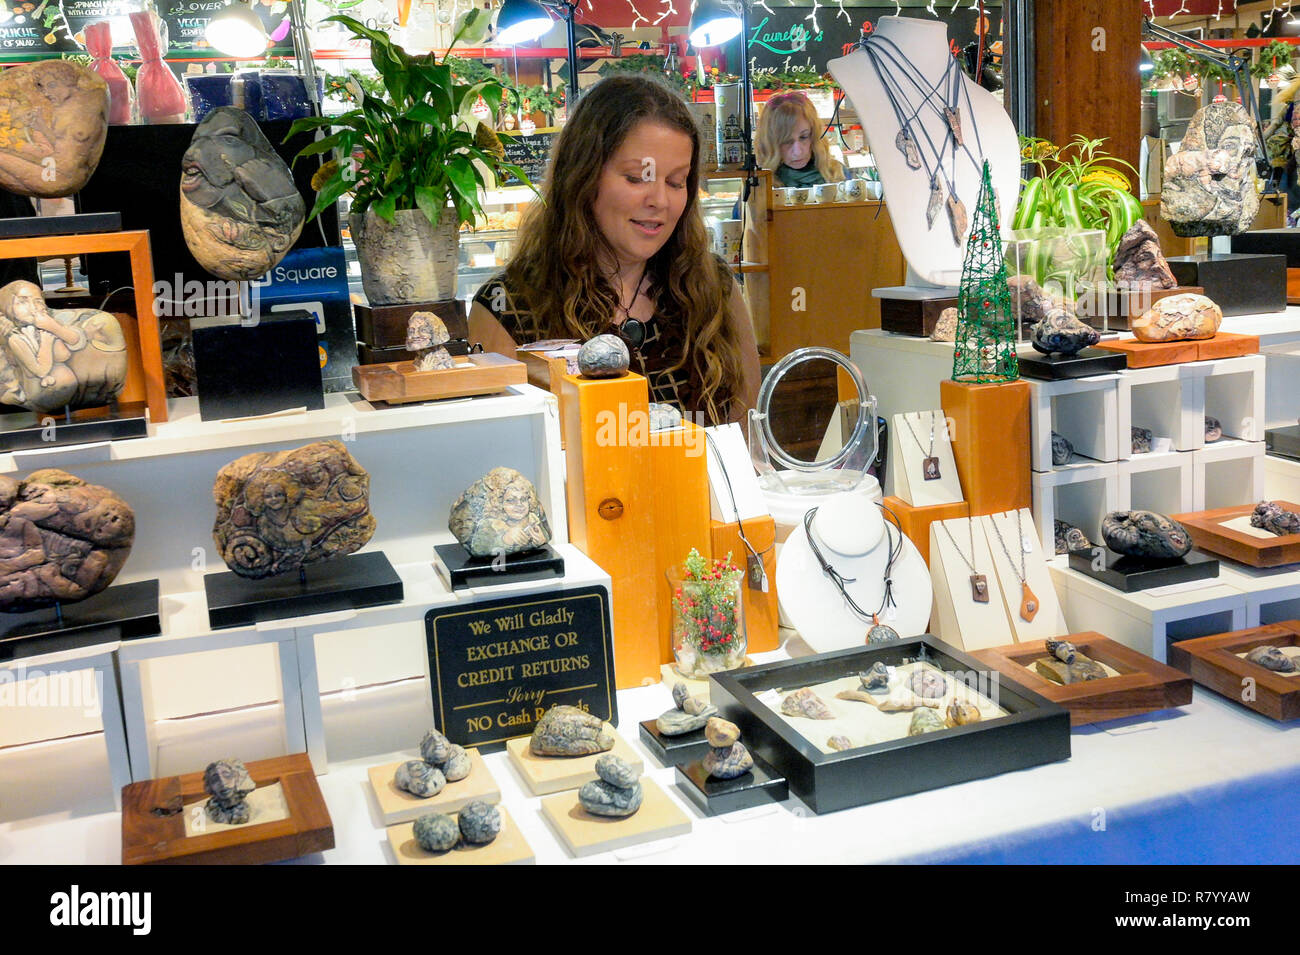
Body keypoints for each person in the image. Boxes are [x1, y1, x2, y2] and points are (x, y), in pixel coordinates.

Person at [469, 75, 761, 426]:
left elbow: (746, 439)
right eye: (637, 178)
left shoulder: (713, 287)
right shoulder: (509, 307)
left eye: (675, 182)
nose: (659, 201)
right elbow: (508, 458)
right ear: (583, 176)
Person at [755, 91, 845, 188]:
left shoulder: (836, 171)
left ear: (814, 134)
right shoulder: (758, 183)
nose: (798, 151)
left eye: (804, 137)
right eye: (786, 141)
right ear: (770, 143)